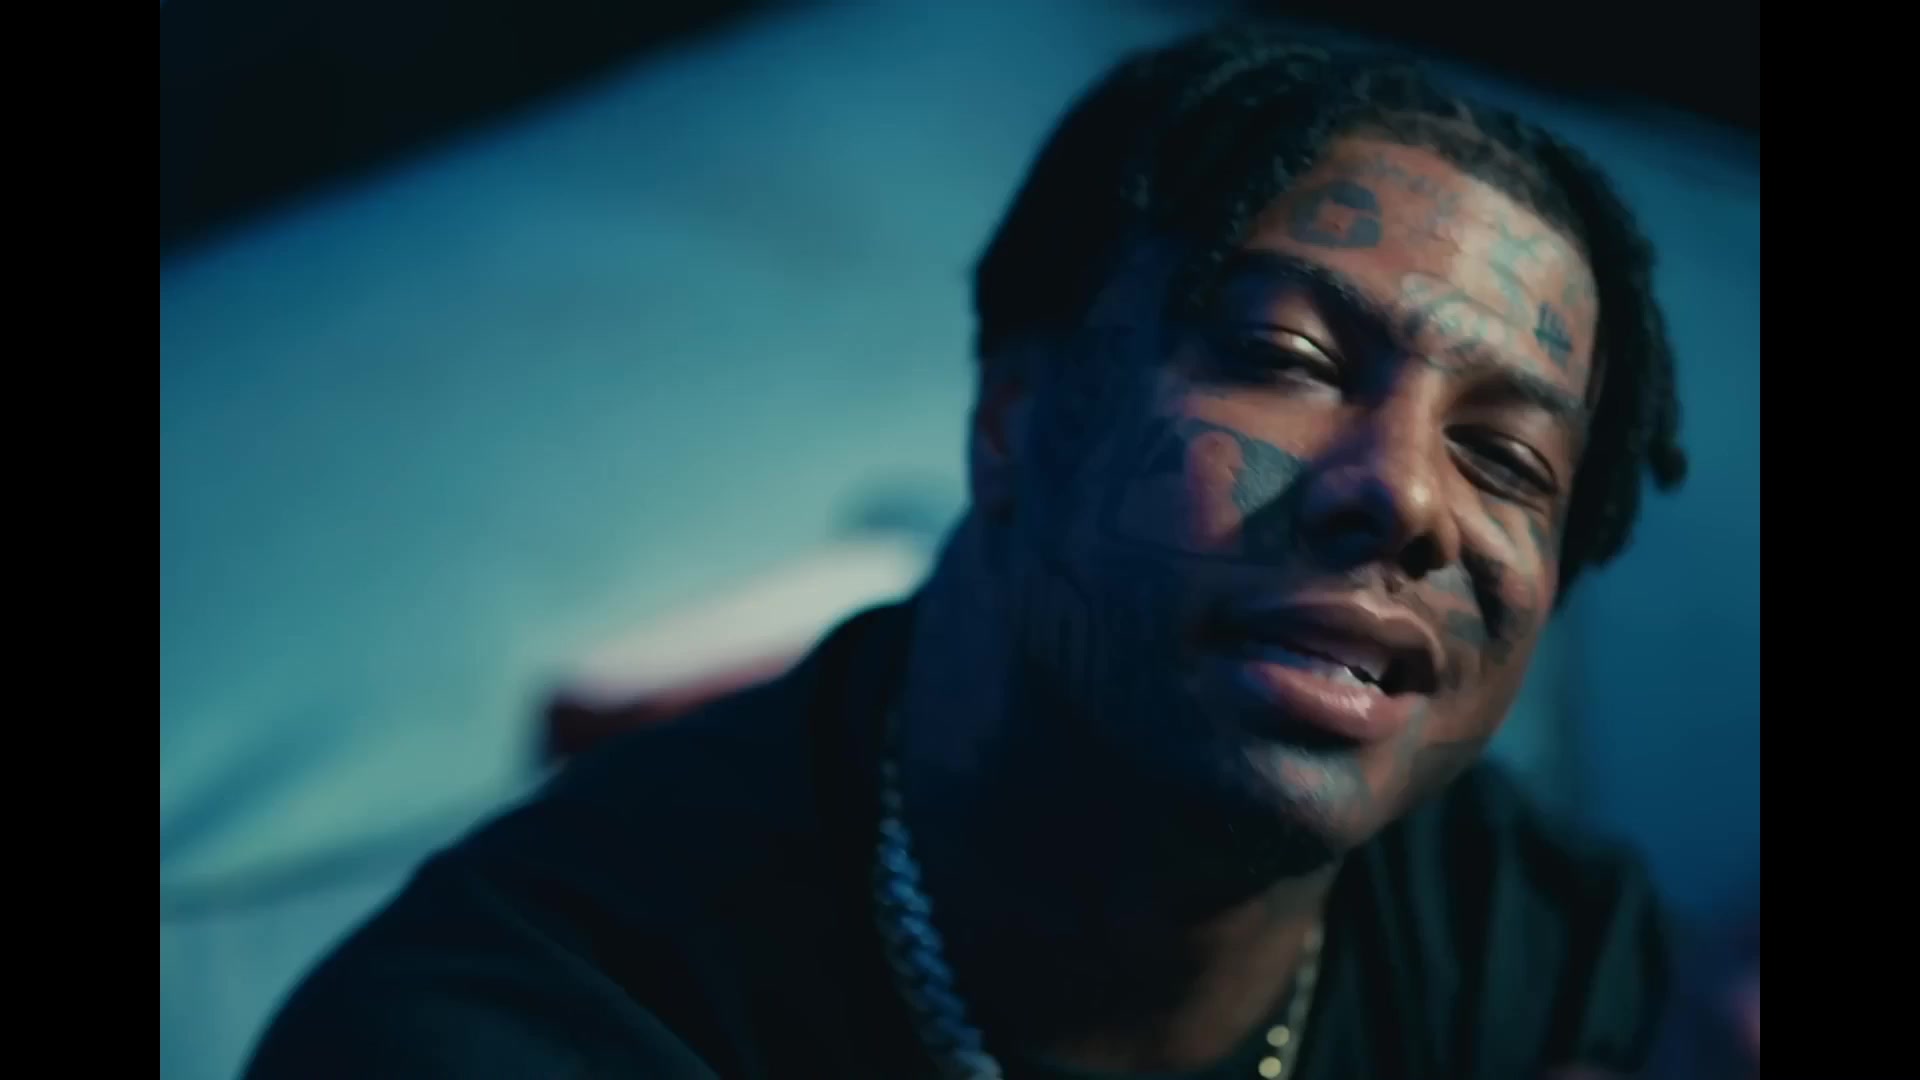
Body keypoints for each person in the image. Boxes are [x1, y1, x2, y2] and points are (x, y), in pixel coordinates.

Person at [245, 26, 1691, 1080]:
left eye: (1508, 461)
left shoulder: (1539, 954)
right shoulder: (502, 1027)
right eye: (1289, 357)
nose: (1411, 496)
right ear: (1012, 418)